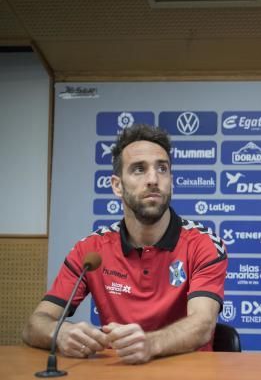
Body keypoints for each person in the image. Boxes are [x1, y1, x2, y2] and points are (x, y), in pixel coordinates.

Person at [23, 124, 227, 364]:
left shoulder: (203, 244)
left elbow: (202, 325)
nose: (153, 179)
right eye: (139, 169)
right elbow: (34, 324)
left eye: (162, 168)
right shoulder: (90, 250)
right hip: (117, 376)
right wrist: (58, 333)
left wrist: (150, 344)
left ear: (171, 179)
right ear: (117, 186)